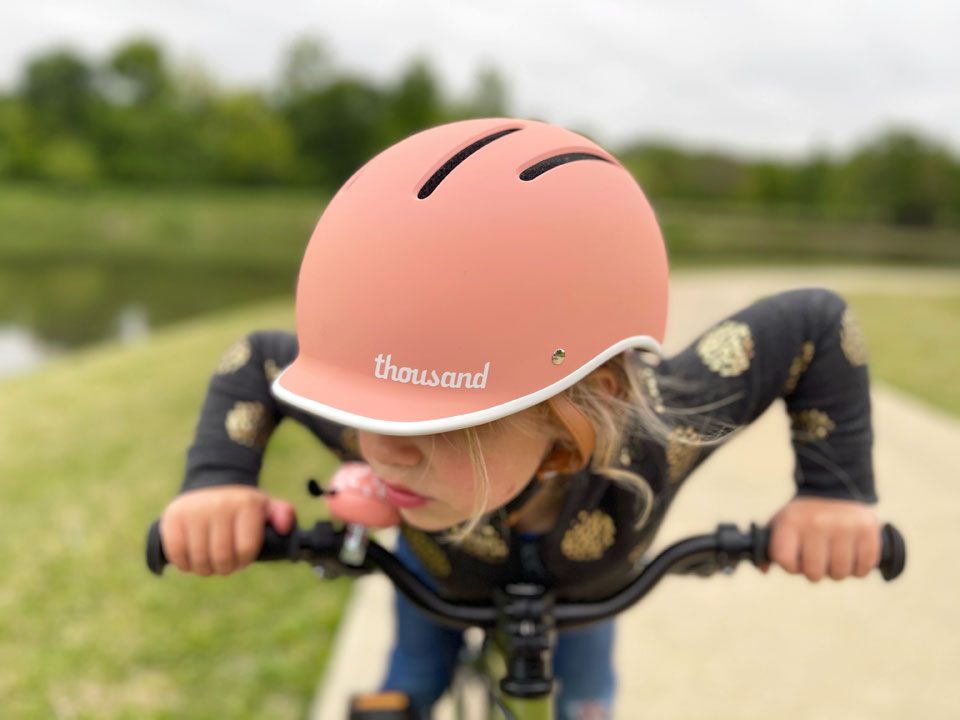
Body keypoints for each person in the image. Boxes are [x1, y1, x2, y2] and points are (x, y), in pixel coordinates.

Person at [159, 118, 881, 720]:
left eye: (443, 422)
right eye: (357, 407)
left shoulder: (667, 431)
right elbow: (257, 360)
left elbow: (816, 324)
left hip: (586, 593)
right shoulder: (383, 442)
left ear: (579, 411)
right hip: (442, 576)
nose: (378, 451)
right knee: (413, 671)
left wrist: (833, 495)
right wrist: (217, 481)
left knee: (586, 695)